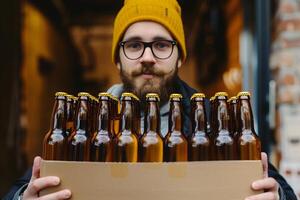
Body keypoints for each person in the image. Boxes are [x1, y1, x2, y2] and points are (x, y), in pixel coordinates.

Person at [3, 0, 297, 199]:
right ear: (117, 59)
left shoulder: (214, 121)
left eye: (160, 45)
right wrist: (24, 197)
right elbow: (23, 186)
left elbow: (281, 188)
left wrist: (277, 195)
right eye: (133, 45)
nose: (147, 57)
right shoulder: (86, 124)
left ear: (179, 56)